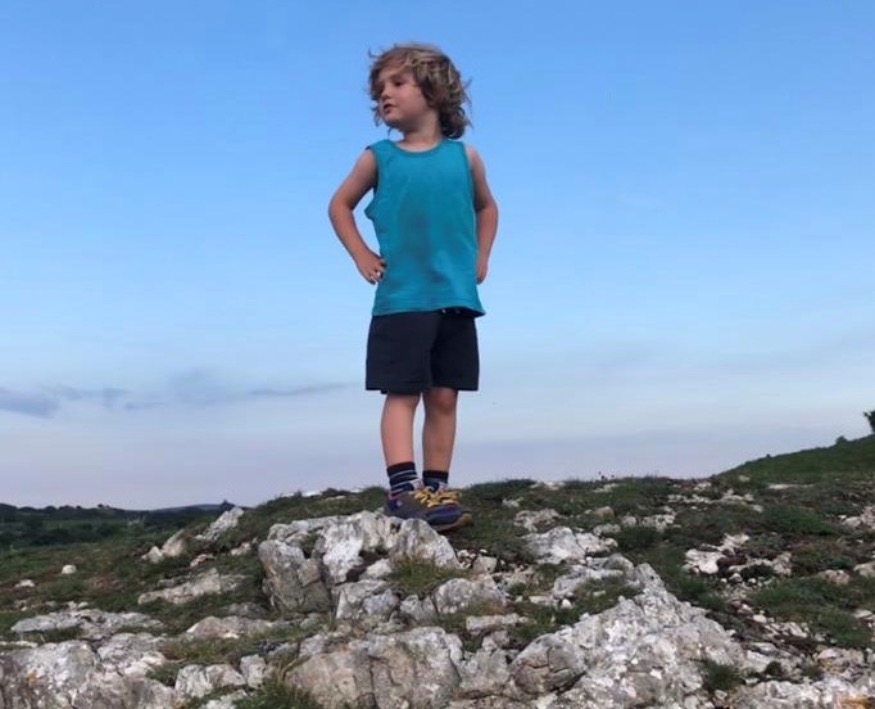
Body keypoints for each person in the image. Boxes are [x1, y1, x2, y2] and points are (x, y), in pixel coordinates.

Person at [328, 43, 498, 532]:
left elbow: (487, 207)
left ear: (435, 91)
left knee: (444, 396)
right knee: (403, 393)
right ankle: (402, 491)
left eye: (397, 83)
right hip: (402, 299)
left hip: (456, 297)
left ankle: (436, 490)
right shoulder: (377, 158)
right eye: (380, 88)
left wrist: (481, 256)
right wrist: (361, 254)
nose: (385, 94)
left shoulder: (465, 158)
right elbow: (339, 205)